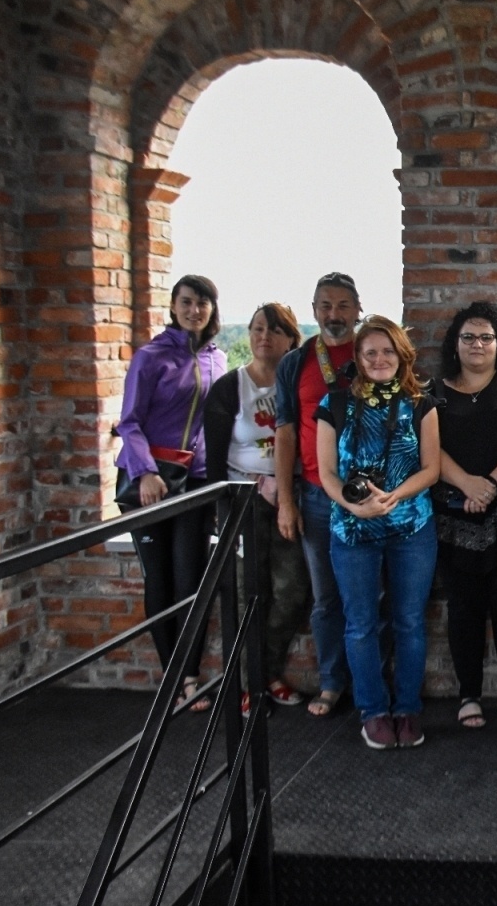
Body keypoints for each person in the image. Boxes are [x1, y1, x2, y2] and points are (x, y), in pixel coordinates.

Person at [315, 316, 440, 750]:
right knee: (361, 625)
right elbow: (326, 472)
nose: (379, 359)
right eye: (370, 352)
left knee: (409, 622)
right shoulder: (333, 404)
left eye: (388, 351)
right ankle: (372, 711)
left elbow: (431, 469)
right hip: (351, 529)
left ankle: (407, 708)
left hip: (411, 527)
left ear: (402, 356)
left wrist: (393, 496)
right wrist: (353, 504)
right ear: (358, 357)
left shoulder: (421, 404)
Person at [115, 274, 228, 711]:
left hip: (194, 482)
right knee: (159, 578)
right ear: (174, 306)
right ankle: (174, 678)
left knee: (191, 579)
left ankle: (191, 674)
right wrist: (145, 472)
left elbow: (214, 423)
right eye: (186, 301)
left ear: (212, 309)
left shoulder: (218, 359)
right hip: (149, 480)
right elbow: (129, 422)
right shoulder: (150, 357)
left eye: (202, 303)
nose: (194, 310)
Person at [431, 302, 497, 731]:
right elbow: (428, 448)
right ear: (455, 344)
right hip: (454, 516)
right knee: (463, 608)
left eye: (486, 337)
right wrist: (467, 485)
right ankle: (469, 695)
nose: (478, 344)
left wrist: (490, 484)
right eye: (469, 337)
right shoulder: (433, 390)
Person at [204, 302, 309, 713]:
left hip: (291, 499)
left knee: (292, 591)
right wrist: (221, 515)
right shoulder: (230, 387)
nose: (265, 337)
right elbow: (214, 461)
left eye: (276, 330)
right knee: (249, 594)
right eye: (258, 328)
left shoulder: (298, 386)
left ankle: (266, 673)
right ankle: (251, 686)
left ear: (291, 339)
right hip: (243, 501)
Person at [274, 272, 364, 718]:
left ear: (358, 310)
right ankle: (331, 683)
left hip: (371, 497)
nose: (334, 314)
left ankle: (369, 682)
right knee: (326, 598)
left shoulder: (375, 352)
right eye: (325, 305)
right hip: (316, 496)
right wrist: (286, 501)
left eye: (343, 305)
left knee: (372, 596)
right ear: (313, 311)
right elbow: (286, 433)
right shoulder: (296, 362)